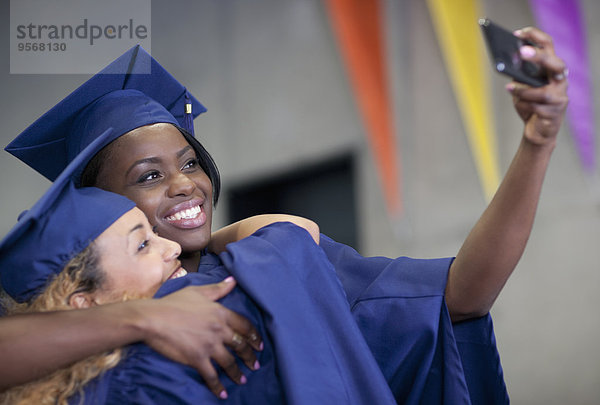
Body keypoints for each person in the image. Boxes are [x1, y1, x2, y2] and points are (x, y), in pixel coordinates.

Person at [4, 25, 568, 403]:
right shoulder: (63, 363)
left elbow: (461, 295)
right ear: (97, 207)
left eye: (191, 161)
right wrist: (147, 315)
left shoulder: (277, 265)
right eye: (148, 176)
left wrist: (538, 142)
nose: (184, 184)